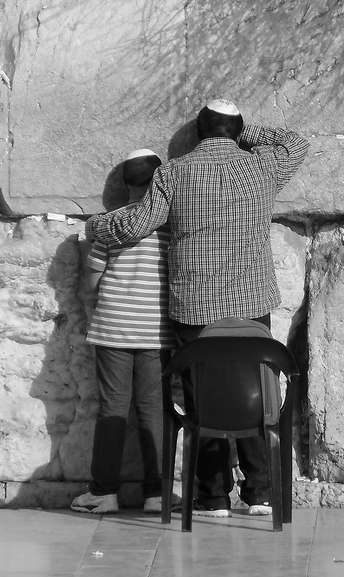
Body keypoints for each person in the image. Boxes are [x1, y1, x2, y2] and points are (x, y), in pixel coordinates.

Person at [88, 99, 308, 518]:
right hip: (250, 302)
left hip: (196, 306)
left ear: (198, 131)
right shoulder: (261, 168)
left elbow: (137, 225)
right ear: (236, 129)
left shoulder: (173, 172)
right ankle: (259, 491)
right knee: (256, 392)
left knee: (202, 399)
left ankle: (212, 496)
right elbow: (295, 144)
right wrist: (249, 133)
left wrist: (96, 226)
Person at [72, 149, 177, 514]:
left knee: (112, 408)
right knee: (154, 410)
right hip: (156, 331)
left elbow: (93, 280)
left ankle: (104, 492)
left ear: (125, 185)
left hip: (114, 326)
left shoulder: (110, 225)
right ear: (160, 181)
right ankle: (157, 493)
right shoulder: (170, 226)